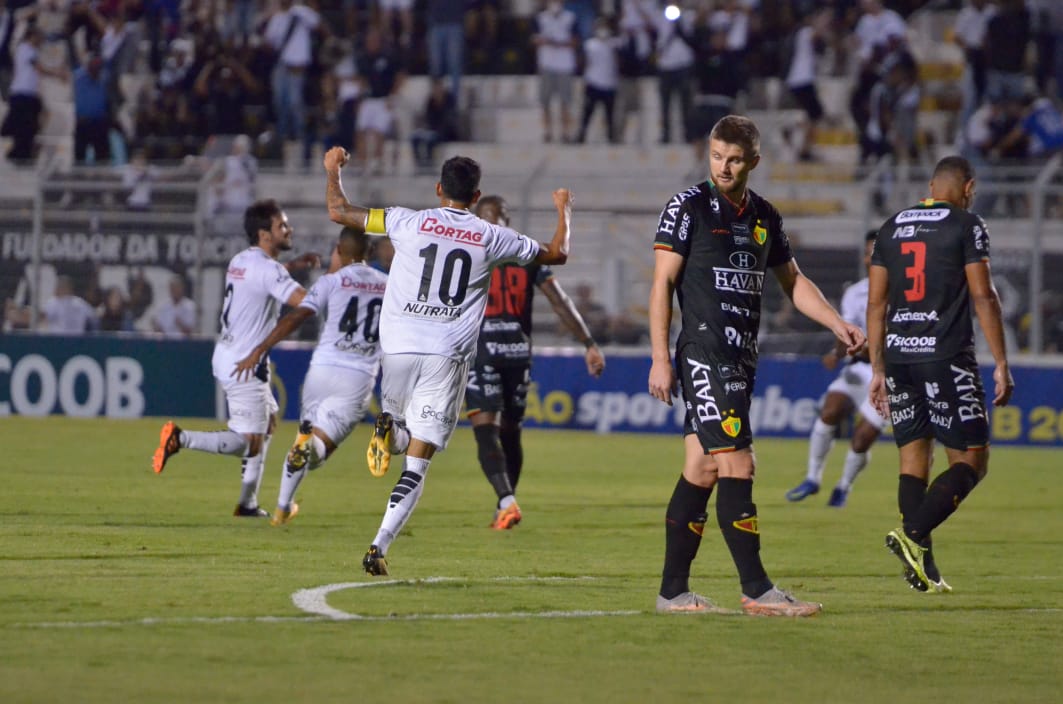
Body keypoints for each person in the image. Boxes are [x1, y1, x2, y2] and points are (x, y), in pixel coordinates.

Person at [647, 115, 865, 616]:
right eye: (716, 157)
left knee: (702, 467)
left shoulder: (765, 216)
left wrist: (836, 322)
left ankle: (672, 593)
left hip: (741, 359)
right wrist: (660, 358)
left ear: (754, 162)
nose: (723, 167)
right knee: (739, 464)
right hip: (705, 353)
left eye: (734, 159)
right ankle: (758, 590)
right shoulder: (688, 206)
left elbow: (794, 281)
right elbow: (662, 284)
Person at [322, 145, 573, 576]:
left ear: (438, 189)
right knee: (418, 462)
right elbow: (557, 253)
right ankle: (378, 546)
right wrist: (564, 210)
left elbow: (339, 211)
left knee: (404, 434)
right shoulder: (491, 236)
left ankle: (392, 430)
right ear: (476, 197)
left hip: (398, 350)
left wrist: (332, 169)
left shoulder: (405, 221)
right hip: (446, 355)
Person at [868, 155, 1014, 593]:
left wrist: (877, 369)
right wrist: (1001, 362)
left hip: (898, 356)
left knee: (914, 458)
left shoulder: (891, 226)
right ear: (968, 188)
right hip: (944, 354)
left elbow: (876, 303)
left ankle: (924, 568)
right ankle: (912, 534)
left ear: (932, 187)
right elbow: (983, 295)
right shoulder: (967, 224)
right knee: (971, 461)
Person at [152, 199, 319, 518]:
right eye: (282, 225)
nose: (289, 229)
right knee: (249, 442)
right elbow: (305, 301)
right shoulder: (268, 270)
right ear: (265, 234)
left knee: (267, 422)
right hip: (245, 362)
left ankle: (247, 503)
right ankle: (180, 438)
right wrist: (335, 287)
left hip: (229, 354)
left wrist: (294, 266)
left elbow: (264, 278)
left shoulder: (241, 261)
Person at [466, 195, 605, 530]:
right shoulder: (525, 252)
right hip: (517, 354)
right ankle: (505, 502)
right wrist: (588, 342)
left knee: (486, 430)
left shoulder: (467, 252)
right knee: (511, 432)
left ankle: (506, 501)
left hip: (482, 352)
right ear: (507, 221)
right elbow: (559, 301)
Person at [232, 227, 388, 526]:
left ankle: (283, 507)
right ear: (369, 252)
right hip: (357, 377)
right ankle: (286, 497)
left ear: (339, 250)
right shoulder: (389, 284)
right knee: (318, 451)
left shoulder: (331, 281)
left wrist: (261, 348)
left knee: (305, 444)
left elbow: (297, 316)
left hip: (321, 371)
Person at [786, 230, 885, 508]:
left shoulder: (903, 292)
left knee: (862, 438)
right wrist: (836, 352)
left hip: (890, 375)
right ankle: (812, 478)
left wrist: (868, 348)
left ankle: (843, 486)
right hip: (858, 368)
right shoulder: (855, 293)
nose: (871, 258)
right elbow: (845, 332)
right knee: (829, 411)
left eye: (876, 252)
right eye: (868, 252)